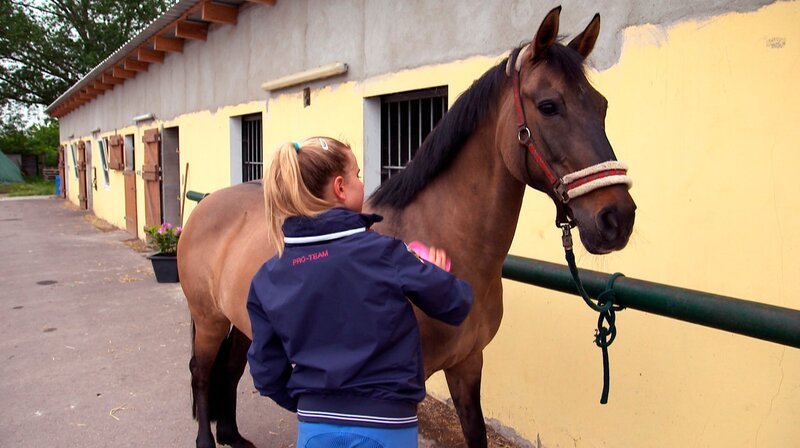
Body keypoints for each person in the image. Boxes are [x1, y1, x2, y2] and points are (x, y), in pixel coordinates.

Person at [247, 136, 473, 448]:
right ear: (340, 188)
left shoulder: (267, 277)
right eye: (357, 174)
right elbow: (456, 303)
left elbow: (266, 371)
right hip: (386, 426)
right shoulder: (385, 253)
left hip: (314, 427)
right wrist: (434, 270)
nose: (361, 181)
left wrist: (313, 404)